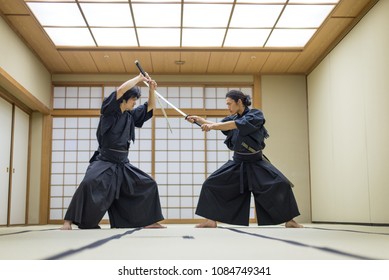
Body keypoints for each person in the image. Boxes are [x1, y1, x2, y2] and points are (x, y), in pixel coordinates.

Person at [61, 74, 164, 230]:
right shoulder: (110, 111)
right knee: (88, 183)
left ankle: (147, 221)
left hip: (123, 163)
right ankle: (68, 222)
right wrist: (139, 78)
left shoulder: (130, 115)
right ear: (124, 99)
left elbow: (150, 107)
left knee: (148, 184)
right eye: (133, 100)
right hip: (105, 160)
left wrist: (151, 89)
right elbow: (121, 89)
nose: (135, 103)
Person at [187, 90, 302, 228]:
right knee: (210, 184)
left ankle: (290, 220)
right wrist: (199, 120)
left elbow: (235, 125)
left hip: (256, 162)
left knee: (281, 184)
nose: (228, 107)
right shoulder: (232, 118)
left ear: (239, 102)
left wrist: (211, 126)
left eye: (230, 104)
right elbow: (219, 125)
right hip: (238, 162)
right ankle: (211, 220)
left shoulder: (255, 115)